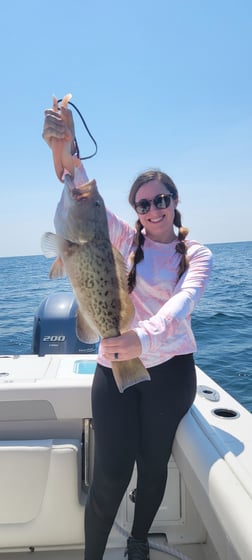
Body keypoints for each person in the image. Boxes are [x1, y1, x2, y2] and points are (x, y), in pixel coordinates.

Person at [42, 103, 212, 560]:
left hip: (171, 373)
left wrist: (143, 338)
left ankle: (139, 541)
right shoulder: (123, 238)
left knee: (153, 465)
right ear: (135, 210)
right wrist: (65, 145)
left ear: (174, 202)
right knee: (110, 474)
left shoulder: (197, 253)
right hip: (113, 366)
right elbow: (80, 196)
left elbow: (183, 304)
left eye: (161, 200)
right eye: (144, 203)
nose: (154, 209)